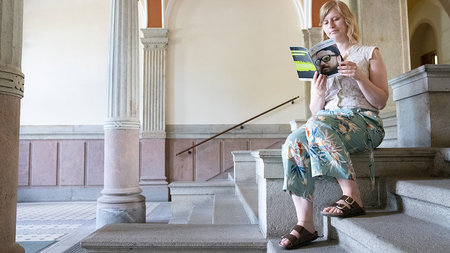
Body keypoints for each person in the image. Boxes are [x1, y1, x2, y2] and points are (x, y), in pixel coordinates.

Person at [279, 0, 388, 250]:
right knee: (294, 140)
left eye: (336, 19)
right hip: (327, 121)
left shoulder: (369, 53)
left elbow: (380, 101)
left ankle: (353, 195)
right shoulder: (321, 60)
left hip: (365, 122)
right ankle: (305, 223)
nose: (330, 25)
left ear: (348, 21)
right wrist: (317, 92)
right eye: (326, 21)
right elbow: (315, 111)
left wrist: (359, 76)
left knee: (316, 125)